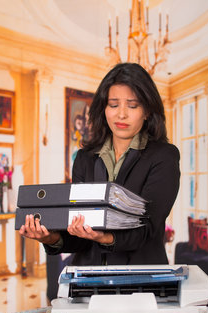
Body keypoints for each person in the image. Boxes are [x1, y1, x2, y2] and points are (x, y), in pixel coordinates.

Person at [19, 62, 180, 266]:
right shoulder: (85, 158)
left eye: (132, 105)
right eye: (113, 105)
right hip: (88, 282)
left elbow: (148, 230)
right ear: (103, 108)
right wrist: (49, 238)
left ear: (147, 111)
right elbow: (79, 234)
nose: (121, 114)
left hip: (139, 282)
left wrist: (104, 237)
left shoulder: (164, 157)